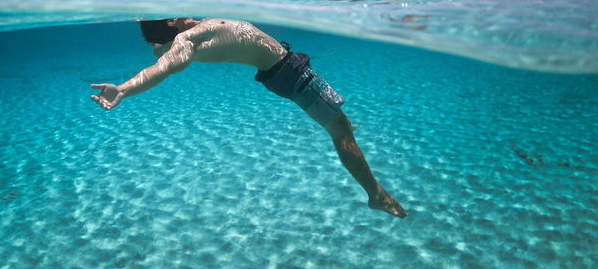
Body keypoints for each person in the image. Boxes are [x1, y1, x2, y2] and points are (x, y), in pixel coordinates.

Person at [90, 18, 407, 218]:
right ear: (172, 20)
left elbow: (164, 52)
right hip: (291, 74)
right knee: (341, 133)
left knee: (339, 122)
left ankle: (338, 123)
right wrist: (124, 89)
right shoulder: (187, 40)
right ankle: (375, 195)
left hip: (285, 70)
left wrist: (159, 39)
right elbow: (162, 68)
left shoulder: (189, 32)